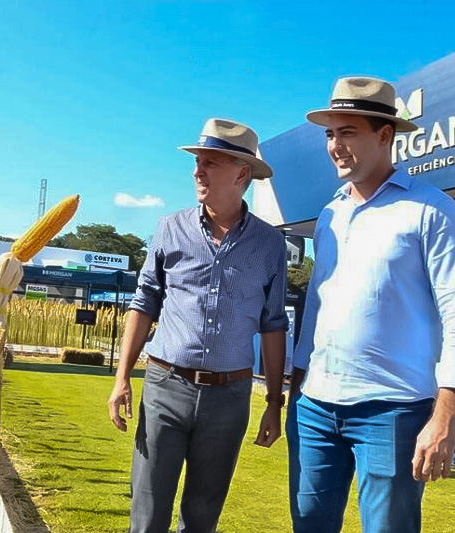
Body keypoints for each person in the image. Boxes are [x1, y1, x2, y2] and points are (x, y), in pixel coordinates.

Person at [288, 76, 455, 533]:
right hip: (314, 407)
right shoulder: (330, 213)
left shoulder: (432, 210)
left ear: (386, 135)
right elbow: (319, 307)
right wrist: (295, 388)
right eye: (329, 134)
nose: (335, 146)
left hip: (395, 412)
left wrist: (445, 416)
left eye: (347, 132)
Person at [108, 118, 289, 533]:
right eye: (196, 162)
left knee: (202, 518)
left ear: (242, 173)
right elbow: (144, 303)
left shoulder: (269, 243)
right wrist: (121, 378)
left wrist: (275, 404)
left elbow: (274, 323)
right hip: (165, 387)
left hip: (230, 398)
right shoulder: (169, 228)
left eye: (210, 162)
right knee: (148, 515)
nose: (197, 171)